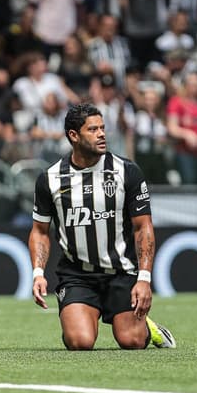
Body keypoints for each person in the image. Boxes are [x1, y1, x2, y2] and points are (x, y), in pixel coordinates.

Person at [29, 102, 176, 351]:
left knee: (132, 341)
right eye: (93, 129)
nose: (102, 134)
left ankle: (146, 328)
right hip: (77, 274)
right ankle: (81, 315)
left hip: (121, 271)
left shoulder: (126, 171)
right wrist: (38, 273)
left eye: (103, 128)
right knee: (80, 342)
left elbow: (143, 227)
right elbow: (40, 231)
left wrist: (144, 278)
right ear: (73, 136)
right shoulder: (50, 179)